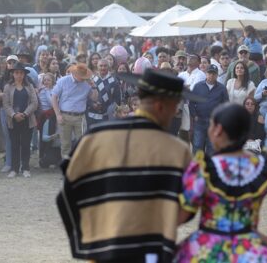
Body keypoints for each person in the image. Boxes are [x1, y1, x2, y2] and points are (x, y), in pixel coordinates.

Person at [57, 68, 193, 263]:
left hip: (103, 252)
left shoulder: (95, 138)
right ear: (161, 106)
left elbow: (66, 194)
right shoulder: (178, 151)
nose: (176, 112)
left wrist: (85, 245)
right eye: (175, 107)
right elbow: (187, 207)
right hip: (152, 254)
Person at [175, 103, 267, 263]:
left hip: (205, 250)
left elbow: (180, 215)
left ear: (217, 130)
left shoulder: (202, 167)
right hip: (250, 251)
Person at [52, 63, 98, 159]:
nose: (83, 78)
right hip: (65, 115)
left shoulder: (87, 83)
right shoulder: (63, 81)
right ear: (75, 74)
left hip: (80, 117)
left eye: (84, 76)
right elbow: (54, 97)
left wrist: (94, 86)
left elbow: (94, 98)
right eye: (81, 76)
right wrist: (58, 115)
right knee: (65, 144)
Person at [2, 62, 38, 178]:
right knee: (14, 144)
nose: (19, 75)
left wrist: (25, 114)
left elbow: (34, 102)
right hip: (13, 120)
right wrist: (13, 115)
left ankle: (26, 168)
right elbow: (6, 104)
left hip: (27, 119)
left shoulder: (29, 86)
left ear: (24, 74)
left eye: (21, 73)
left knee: (26, 144)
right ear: (13, 74)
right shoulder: (8, 87)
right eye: (16, 73)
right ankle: (14, 169)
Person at [190, 64, 229, 155]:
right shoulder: (198, 86)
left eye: (214, 74)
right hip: (200, 121)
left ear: (217, 75)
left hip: (214, 123)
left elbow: (226, 105)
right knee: (197, 145)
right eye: (210, 73)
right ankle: (197, 167)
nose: (211, 75)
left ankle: (209, 168)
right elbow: (191, 102)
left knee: (212, 147)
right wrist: (194, 115)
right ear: (206, 74)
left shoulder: (222, 88)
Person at [86, 59, 121, 127]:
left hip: (106, 116)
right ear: (97, 67)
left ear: (108, 67)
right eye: (101, 66)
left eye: (105, 66)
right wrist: (92, 104)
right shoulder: (91, 79)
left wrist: (110, 109)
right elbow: (86, 96)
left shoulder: (114, 81)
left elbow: (117, 99)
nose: (103, 68)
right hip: (91, 115)